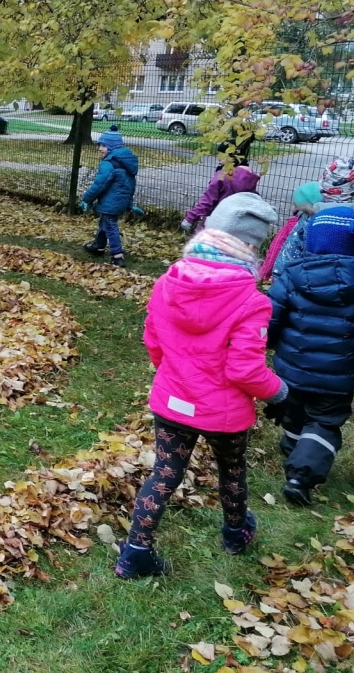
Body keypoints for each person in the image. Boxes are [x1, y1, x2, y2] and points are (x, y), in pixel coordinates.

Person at [116, 192, 288, 578]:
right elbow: (245, 370)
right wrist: (280, 392)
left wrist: (175, 375)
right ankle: (235, 532)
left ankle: (135, 553)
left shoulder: (167, 282)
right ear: (250, 246)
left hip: (172, 401)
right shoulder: (251, 301)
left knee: (164, 471)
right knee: (231, 470)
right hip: (221, 412)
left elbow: (154, 341)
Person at [268, 207, 354, 506]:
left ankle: (294, 449)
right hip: (339, 376)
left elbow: (271, 317)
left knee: (295, 411)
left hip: (292, 368)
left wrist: (268, 342)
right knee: (324, 421)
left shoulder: (292, 275)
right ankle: (300, 474)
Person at [272, 157, 354, 278]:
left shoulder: (309, 217)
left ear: (322, 187)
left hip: (310, 283)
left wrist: (278, 277)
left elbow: (290, 254)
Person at [81, 126, 139, 268]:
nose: (100, 148)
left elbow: (99, 185)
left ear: (112, 147)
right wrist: (129, 203)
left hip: (110, 202)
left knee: (110, 225)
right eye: (100, 145)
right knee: (105, 222)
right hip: (119, 202)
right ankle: (99, 246)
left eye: (103, 145)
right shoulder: (126, 163)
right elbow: (129, 186)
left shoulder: (108, 164)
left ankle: (117, 255)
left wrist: (86, 199)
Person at [181, 164, 261, 232]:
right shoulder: (249, 178)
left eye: (222, 154)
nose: (219, 158)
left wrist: (190, 218)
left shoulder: (222, 176)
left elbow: (207, 200)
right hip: (237, 226)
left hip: (215, 222)